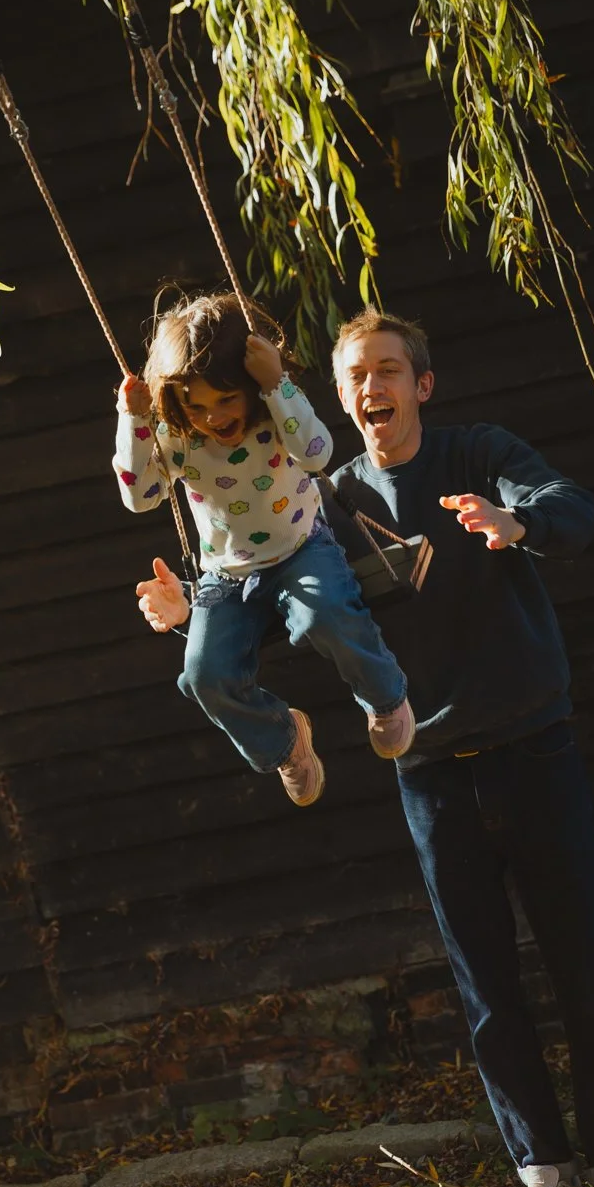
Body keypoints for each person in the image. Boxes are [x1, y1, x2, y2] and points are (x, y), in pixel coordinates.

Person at [135, 304, 594, 1187]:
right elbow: (283, 617)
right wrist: (193, 620)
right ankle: (541, 1165)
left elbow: (572, 510)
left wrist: (513, 520)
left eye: (384, 370)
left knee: (582, 963)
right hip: (429, 775)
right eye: (353, 376)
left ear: (420, 385)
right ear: (335, 396)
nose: (369, 386)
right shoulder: (319, 503)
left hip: (533, 748)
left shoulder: (476, 451)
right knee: (486, 986)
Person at [112, 291, 414, 807]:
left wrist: (278, 384)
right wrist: (134, 420)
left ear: (251, 387)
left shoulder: (275, 411)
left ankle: (386, 699)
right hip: (224, 576)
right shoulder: (178, 437)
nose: (214, 417)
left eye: (227, 399)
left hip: (302, 548)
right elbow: (140, 497)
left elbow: (319, 454)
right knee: (203, 675)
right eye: (198, 406)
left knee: (328, 616)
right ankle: (284, 741)